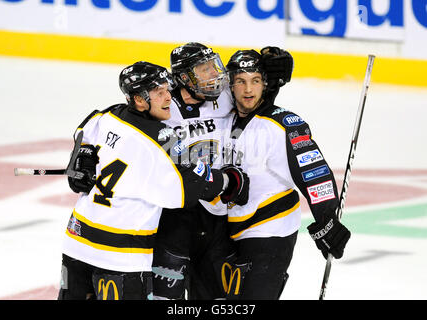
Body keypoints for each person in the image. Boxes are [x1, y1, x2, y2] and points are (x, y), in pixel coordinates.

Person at [58, 61, 249, 300]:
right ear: (139, 99)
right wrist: (229, 181)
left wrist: (81, 155)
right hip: (120, 253)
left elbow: (84, 129)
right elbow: (193, 185)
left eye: (168, 90)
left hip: (76, 240)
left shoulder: (111, 115)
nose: (169, 98)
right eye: (160, 93)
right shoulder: (162, 138)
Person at [151, 43, 293, 300]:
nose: (214, 75)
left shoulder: (224, 95)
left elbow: (254, 98)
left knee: (218, 298)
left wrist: (276, 80)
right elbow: (122, 115)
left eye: (212, 67)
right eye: (204, 70)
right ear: (184, 77)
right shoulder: (162, 104)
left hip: (217, 217)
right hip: (176, 218)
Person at [220, 49, 351, 299]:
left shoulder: (283, 125)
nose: (248, 90)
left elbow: (313, 171)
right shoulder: (227, 119)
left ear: (265, 83)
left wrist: (327, 219)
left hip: (270, 234)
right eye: (241, 81)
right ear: (231, 84)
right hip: (231, 233)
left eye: (255, 81)